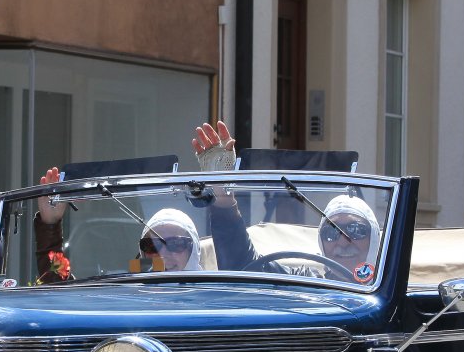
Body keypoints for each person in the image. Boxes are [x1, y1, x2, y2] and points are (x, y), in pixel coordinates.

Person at [192, 121, 379, 284]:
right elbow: (243, 267)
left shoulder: (392, 289)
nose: (342, 241)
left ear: (374, 239)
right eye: (331, 232)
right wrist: (222, 195)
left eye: (356, 230)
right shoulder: (310, 285)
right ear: (321, 243)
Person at [34, 167, 201, 281]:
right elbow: (60, 292)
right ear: (142, 253)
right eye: (152, 246)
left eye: (175, 244)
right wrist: (50, 225)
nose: (162, 255)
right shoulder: (124, 297)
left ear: (193, 251)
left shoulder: (211, 299)